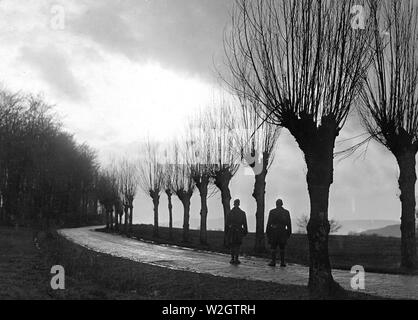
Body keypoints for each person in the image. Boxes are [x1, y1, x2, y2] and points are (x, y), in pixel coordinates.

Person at [266, 199, 292, 267]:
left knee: (274, 247)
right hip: (282, 232)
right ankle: (282, 262)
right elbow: (289, 224)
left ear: (276, 204)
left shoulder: (272, 212)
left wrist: (268, 233)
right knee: (281, 247)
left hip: (274, 231)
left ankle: (273, 261)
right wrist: (288, 233)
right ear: (282, 204)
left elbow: (269, 223)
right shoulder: (286, 212)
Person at [226, 199, 248, 265]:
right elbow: (245, 224)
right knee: (237, 245)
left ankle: (233, 258)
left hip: (233, 230)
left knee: (233, 245)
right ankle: (235, 259)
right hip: (238, 230)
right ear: (239, 204)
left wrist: (227, 231)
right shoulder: (242, 213)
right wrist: (245, 231)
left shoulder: (230, 212)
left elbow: (227, 223)